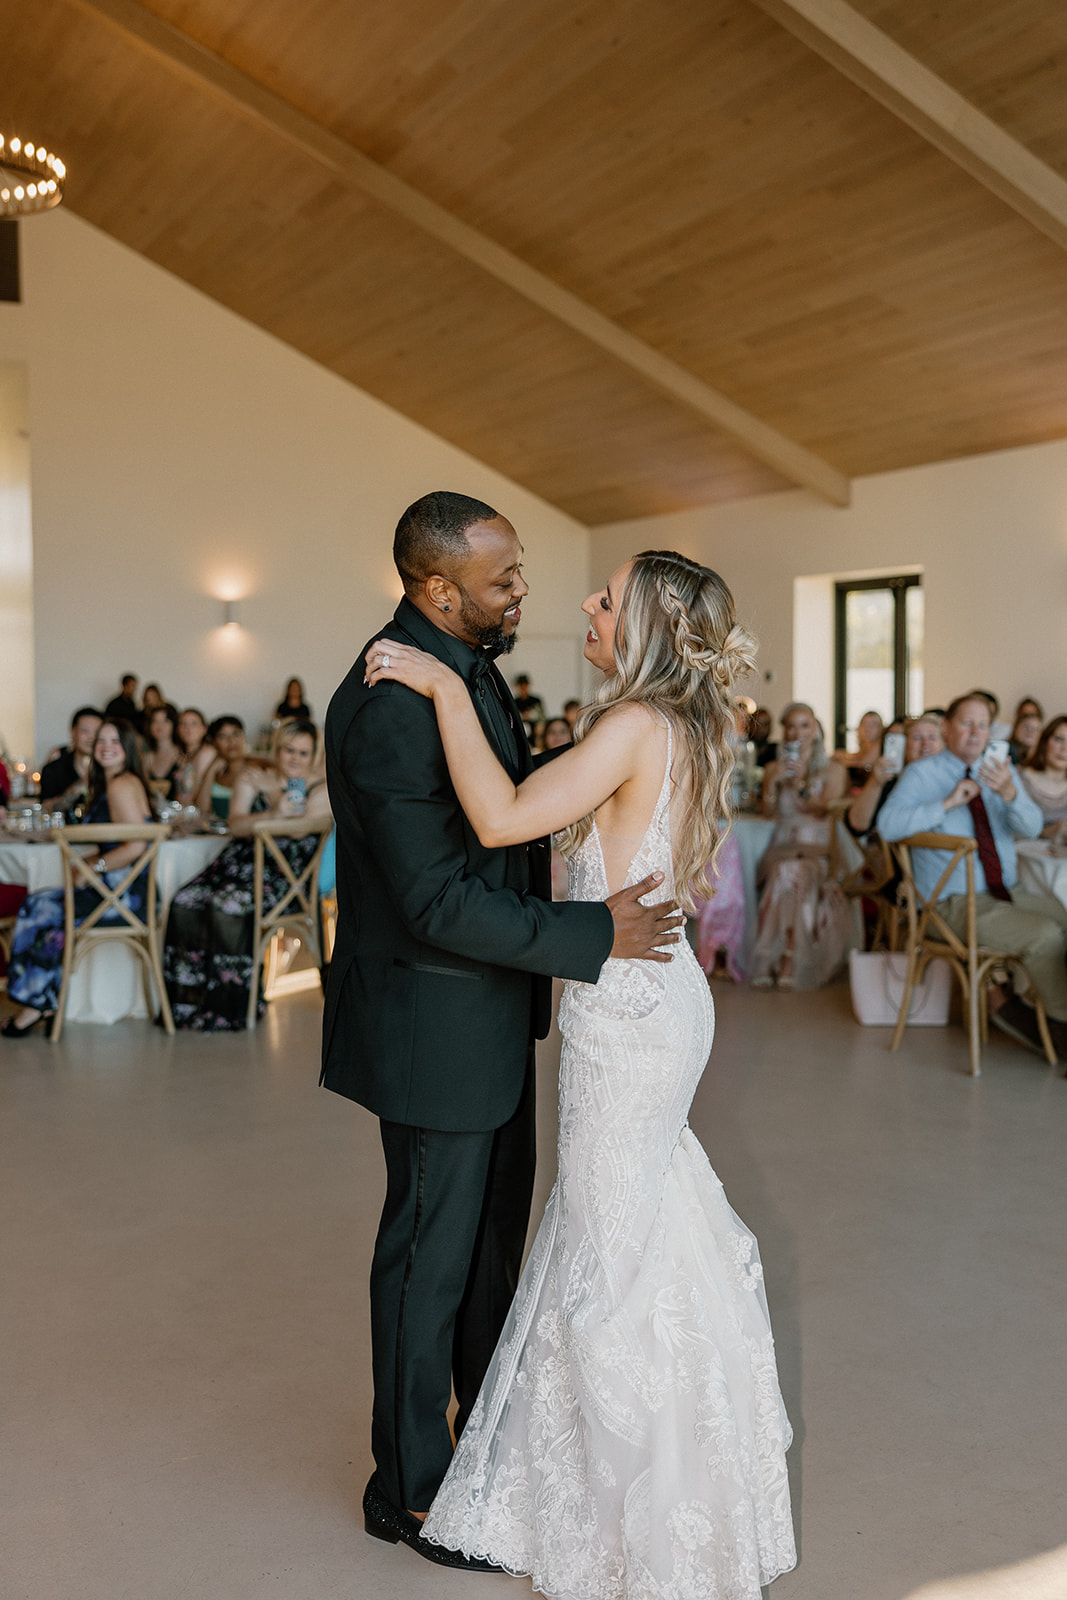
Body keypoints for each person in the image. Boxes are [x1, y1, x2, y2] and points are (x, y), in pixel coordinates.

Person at [365, 541, 795, 1595]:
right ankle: (672, 1468)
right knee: (632, 1221)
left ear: (643, 625)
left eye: (605, 600)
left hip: (628, 1010)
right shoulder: (689, 722)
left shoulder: (633, 724)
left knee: (610, 1250)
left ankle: (634, 1510)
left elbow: (503, 814)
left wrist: (433, 682)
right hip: (660, 995)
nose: (587, 608)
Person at [322, 491, 685, 1575]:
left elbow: (504, 812)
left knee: (487, 1253)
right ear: (438, 590)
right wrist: (590, 931)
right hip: (433, 1018)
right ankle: (410, 1489)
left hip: (491, 1012)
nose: (522, 589)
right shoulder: (391, 696)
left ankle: (482, 1447)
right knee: (426, 1260)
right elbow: (433, 897)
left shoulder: (459, 666)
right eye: (503, 579)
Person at [878, 693, 1067, 1059]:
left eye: (983, 725)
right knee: (1044, 936)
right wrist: (946, 803)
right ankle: (1063, 1029)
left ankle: (1034, 1012)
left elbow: (1029, 829)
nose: (975, 732)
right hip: (949, 905)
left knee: (1065, 918)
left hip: (1004, 892)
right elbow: (887, 826)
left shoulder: (997, 771)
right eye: (967, 723)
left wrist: (1011, 794)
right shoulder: (923, 773)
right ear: (946, 728)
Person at [163, 719, 330, 1030]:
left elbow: (295, 834)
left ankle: (231, 1006)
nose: (294, 758)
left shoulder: (322, 789)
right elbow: (236, 826)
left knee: (227, 906)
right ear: (276, 750)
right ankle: (188, 1003)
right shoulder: (253, 777)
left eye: (303, 753)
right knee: (184, 901)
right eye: (288, 750)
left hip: (284, 880)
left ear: (314, 756)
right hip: (236, 864)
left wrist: (273, 799)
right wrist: (272, 812)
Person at [2, 721, 152, 1036]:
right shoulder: (116, 781)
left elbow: (137, 845)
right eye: (100, 740)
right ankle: (39, 1001)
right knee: (42, 905)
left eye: (115, 741)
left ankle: (35, 1005)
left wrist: (91, 869)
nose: (106, 746)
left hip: (122, 894)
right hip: (120, 887)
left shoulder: (121, 784)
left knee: (40, 907)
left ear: (127, 748)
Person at [751, 702, 854, 988]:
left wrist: (798, 784)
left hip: (819, 846)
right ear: (784, 731)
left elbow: (824, 810)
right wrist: (772, 784)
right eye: (792, 726)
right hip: (783, 845)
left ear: (816, 729)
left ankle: (787, 958)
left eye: (805, 725)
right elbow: (768, 813)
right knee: (785, 870)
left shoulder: (834, 769)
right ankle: (776, 955)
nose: (798, 732)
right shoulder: (773, 766)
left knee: (792, 872)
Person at [846, 712, 943, 840]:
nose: (925, 744)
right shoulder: (894, 782)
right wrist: (875, 783)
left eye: (932, 737)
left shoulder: (953, 780)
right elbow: (857, 826)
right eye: (917, 738)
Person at [39, 706, 102, 812]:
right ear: (73, 732)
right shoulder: (53, 769)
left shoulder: (109, 769)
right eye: (85, 731)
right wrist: (78, 786)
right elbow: (45, 809)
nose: (91, 737)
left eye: (97, 732)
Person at [1019, 717, 1067, 842]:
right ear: (1045, 742)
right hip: (1025, 857)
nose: (1064, 748)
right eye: (1059, 739)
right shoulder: (1020, 779)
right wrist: (1046, 832)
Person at [193, 715, 249, 820]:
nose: (231, 741)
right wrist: (211, 770)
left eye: (236, 734)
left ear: (243, 737)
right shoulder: (214, 774)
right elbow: (202, 810)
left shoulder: (259, 766)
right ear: (214, 743)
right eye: (222, 736)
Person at [174, 708, 215, 806]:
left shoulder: (206, 753)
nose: (188, 729)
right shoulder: (183, 756)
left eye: (193, 724)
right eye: (183, 724)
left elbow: (197, 791)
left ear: (204, 729)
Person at [142, 702, 183, 800]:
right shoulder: (146, 758)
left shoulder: (182, 756)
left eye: (165, 721)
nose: (159, 725)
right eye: (155, 721)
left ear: (174, 725)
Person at [835, 708, 884, 788]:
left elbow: (862, 764)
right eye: (864, 724)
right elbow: (857, 757)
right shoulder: (865, 747)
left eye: (873, 725)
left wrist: (843, 758)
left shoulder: (878, 745)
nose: (867, 728)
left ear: (880, 728)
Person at [512, 673, 545, 744]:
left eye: (525, 685)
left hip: (535, 732)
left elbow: (542, 717)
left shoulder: (535, 701)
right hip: (519, 732)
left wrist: (530, 715)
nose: (523, 688)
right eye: (521, 685)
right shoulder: (514, 702)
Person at [1009, 702, 1043, 767]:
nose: (1030, 732)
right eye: (1026, 727)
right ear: (1016, 727)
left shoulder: (1042, 760)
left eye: (1035, 729)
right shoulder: (1003, 749)